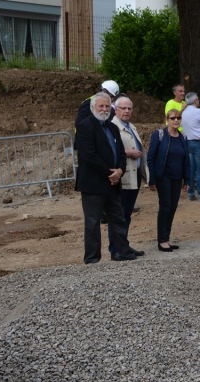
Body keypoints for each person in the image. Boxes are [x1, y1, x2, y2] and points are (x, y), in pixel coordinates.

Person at [74, 92, 137, 264]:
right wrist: (112, 173)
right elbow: (89, 155)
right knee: (93, 223)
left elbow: (121, 154)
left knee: (118, 219)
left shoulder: (113, 127)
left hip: (113, 184)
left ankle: (122, 252)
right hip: (94, 184)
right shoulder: (85, 126)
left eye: (107, 106)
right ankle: (93, 258)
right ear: (93, 107)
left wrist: (120, 171)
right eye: (101, 106)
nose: (104, 109)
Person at [108, 96, 147, 259]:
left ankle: (124, 245)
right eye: (123, 108)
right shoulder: (111, 127)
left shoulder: (131, 127)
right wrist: (127, 153)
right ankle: (115, 249)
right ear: (115, 110)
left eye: (129, 108)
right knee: (118, 215)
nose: (127, 111)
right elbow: (109, 150)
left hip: (134, 176)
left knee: (127, 214)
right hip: (122, 177)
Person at [147, 109, 190, 252]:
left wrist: (188, 179)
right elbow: (151, 158)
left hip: (177, 177)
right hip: (163, 176)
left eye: (178, 117)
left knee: (173, 207)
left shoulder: (183, 137)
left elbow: (186, 160)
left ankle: (167, 237)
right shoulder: (159, 135)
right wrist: (152, 179)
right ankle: (162, 240)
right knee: (165, 206)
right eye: (173, 118)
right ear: (167, 119)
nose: (176, 120)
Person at [182, 92, 200, 202]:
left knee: (191, 169)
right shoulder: (198, 112)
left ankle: (191, 193)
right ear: (195, 101)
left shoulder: (184, 112)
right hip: (199, 142)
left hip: (188, 142)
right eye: (198, 99)